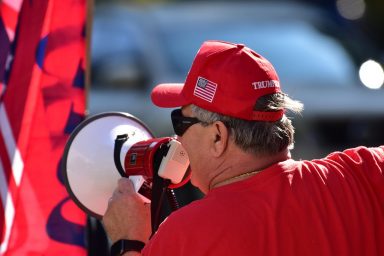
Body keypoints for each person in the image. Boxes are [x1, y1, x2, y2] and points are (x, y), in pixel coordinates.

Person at [102, 40, 384, 256]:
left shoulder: (185, 236)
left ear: (218, 137)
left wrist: (128, 241)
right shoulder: (365, 170)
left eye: (181, 121)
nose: (178, 139)